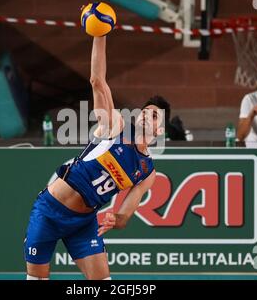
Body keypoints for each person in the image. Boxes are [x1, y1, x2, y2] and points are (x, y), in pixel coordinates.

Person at [24, 36, 169, 280]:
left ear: (160, 130)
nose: (146, 117)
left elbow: (125, 216)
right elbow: (97, 81)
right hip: (50, 210)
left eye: (154, 116)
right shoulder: (117, 127)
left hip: (83, 222)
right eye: (144, 112)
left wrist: (117, 218)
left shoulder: (147, 172)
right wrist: (99, 34)